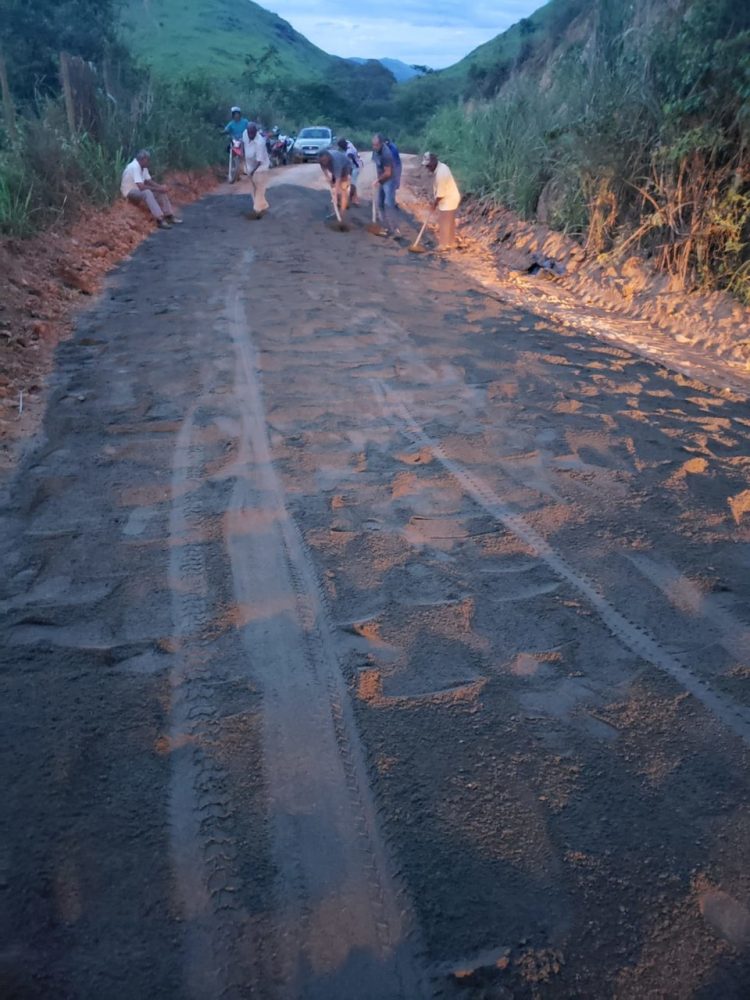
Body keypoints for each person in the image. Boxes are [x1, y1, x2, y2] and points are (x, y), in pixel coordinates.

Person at [121, 150, 182, 229]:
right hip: (129, 191)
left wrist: (160, 187)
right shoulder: (134, 167)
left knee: (160, 191)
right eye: (147, 160)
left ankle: (169, 216)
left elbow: (148, 181)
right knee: (147, 192)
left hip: (138, 190)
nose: (149, 162)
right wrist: (158, 189)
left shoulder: (143, 167)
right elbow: (141, 187)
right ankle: (159, 219)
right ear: (142, 159)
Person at [422, 151, 461, 251]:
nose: (427, 168)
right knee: (449, 222)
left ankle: (443, 245)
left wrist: (433, 205)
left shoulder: (441, 173)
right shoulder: (440, 167)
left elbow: (440, 194)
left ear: (434, 162)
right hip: (449, 197)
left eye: (428, 165)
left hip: (449, 199)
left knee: (444, 222)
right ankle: (451, 243)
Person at [371, 133, 400, 237]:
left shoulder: (387, 154)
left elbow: (388, 173)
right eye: (373, 145)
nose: (374, 147)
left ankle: (395, 229)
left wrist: (378, 180)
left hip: (390, 180)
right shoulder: (375, 151)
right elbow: (377, 166)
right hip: (382, 179)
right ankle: (386, 227)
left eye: (376, 145)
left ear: (381, 144)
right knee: (380, 204)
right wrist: (377, 179)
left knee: (389, 203)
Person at [242, 122, 271, 216]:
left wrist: (252, 172)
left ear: (256, 132)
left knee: (259, 186)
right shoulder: (245, 134)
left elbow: (259, 162)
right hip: (249, 164)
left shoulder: (260, 142)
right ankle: (262, 205)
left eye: (252, 133)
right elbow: (243, 143)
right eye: (249, 133)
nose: (250, 135)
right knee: (252, 187)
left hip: (261, 166)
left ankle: (257, 210)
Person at [319, 149, 352, 217]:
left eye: (325, 160)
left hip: (345, 168)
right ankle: (338, 204)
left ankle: (342, 212)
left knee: (343, 189)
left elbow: (338, 179)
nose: (324, 162)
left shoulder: (336, 162)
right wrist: (328, 177)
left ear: (329, 157)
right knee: (334, 188)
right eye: (322, 161)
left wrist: (335, 196)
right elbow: (323, 167)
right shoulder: (321, 159)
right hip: (334, 170)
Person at [337, 138, 362, 206]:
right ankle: (355, 199)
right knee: (350, 183)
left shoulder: (349, 152)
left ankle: (350, 199)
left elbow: (348, 165)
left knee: (352, 184)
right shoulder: (348, 142)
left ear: (343, 146)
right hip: (354, 164)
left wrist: (347, 174)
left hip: (356, 166)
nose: (340, 148)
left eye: (340, 147)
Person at [385, 137, 402, 205]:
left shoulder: (393, 149)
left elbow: (393, 163)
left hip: (396, 167)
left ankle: (391, 202)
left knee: (393, 184)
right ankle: (389, 201)